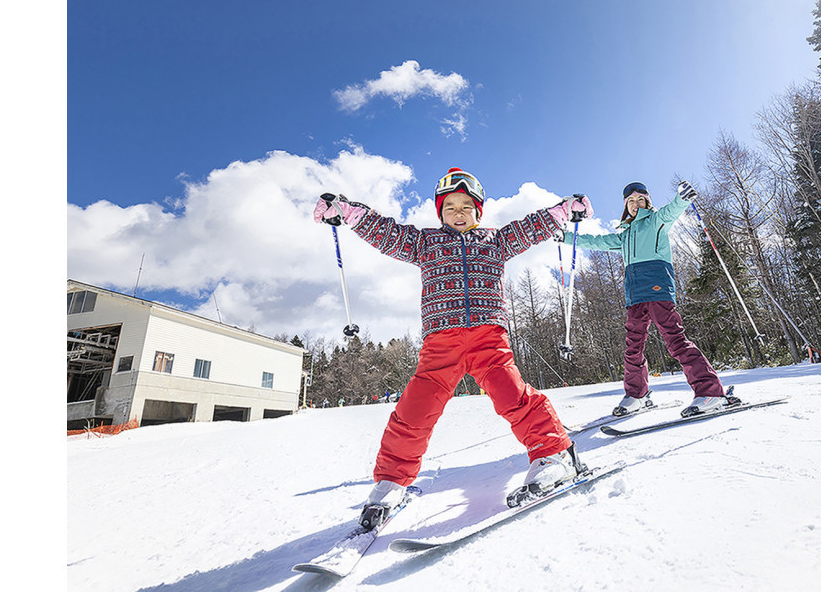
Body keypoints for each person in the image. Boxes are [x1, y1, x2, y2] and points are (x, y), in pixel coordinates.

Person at [313, 167, 593, 526]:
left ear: (478, 210)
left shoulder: (496, 240)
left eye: (465, 206)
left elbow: (531, 226)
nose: (458, 213)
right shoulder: (425, 243)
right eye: (449, 208)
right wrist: (349, 213)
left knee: (513, 395)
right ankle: (391, 481)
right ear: (440, 213)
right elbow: (387, 233)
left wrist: (564, 209)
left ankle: (554, 455)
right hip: (440, 342)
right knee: (414, 411)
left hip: (488, 337)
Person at [563, 180, 732, 418]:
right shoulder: (625, 235)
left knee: (675, 340)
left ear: (647, 201)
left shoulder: (655, 221)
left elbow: (671, 210)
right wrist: (566, 237)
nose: (635, 204)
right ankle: (636, 395)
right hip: (634, 294)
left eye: (639, 199)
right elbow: (597, 241)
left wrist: (682, 198)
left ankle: (710, 392)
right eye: (630, 201)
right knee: (633, 347)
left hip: (657, 287)